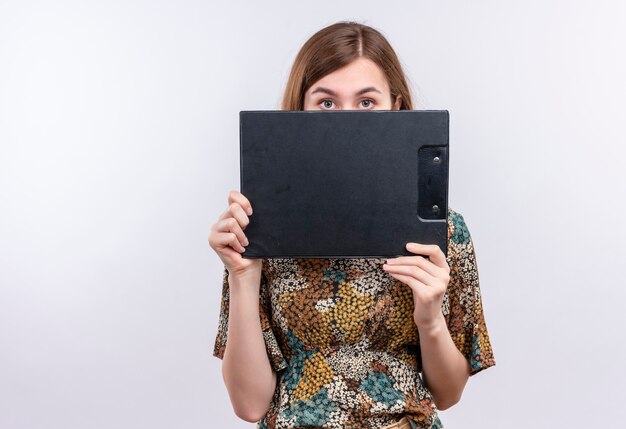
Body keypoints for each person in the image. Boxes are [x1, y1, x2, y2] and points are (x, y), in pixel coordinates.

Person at [208, 21, 495, 429]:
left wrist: (429, 317)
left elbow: (448, 395)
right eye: (326, 102)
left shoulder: (442, 230)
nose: (345, 121)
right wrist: (242, 274)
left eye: (365, 102)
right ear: (301, 110)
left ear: (396, 107)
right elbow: (249, 405)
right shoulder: (262, 227)